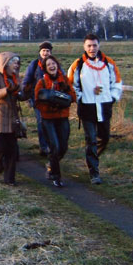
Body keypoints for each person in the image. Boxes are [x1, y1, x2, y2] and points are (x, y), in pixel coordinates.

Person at [68, 34, 122, 184]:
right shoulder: (78, 64)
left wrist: (112, 97)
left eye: (95, 45)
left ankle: (92, 157)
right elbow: (72, 84)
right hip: (87, 108)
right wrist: (80, 97)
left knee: (104, 138)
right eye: (89, 46)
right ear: (84, 47)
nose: (92, 49)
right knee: (91, 139)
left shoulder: (109, 63)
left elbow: (117, 82)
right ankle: (94, 172)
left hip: (104, 107)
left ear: (99, 46)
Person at [34, 55, 76, 187]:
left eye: (53, 63)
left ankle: (51, 164)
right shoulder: (42, 83)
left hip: (62, 117)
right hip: (48, 119)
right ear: (45, 68)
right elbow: (37, 102)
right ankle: (56, 176)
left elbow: (73, 97)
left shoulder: (64, 80)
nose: (52, 66)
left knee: (63, 147)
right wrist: (50, 104)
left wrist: (64, 96)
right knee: (55, 147)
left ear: (57, 65)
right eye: (48, 65)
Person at [0, 52, 22, 186]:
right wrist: (7, 90)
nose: (16, 65)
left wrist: (25, 92)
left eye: (18, 62)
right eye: (14, 62)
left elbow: (20, 94)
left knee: (12, 150)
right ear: (5, 63)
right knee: (0, 147)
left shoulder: (15, 77)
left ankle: (9, 179)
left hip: (11, 118)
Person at [22, 41, 54, 156]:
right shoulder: (34, 64)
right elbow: (26, 80)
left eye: (47, 51)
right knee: (41, 122)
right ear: (40, 52)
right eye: (43, 51)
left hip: (52, 99)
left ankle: (52, 145)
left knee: (51, 122)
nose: (45, 53)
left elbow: (62, 78)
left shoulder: (54, 64)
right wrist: (27, 96)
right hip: (38, 99)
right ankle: (43, 146)